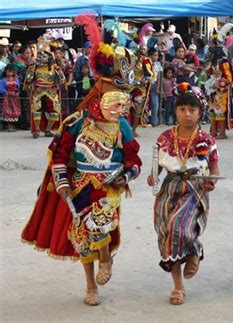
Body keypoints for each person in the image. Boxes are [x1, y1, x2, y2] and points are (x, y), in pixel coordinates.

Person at [21, 23, 142, 305]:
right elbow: (60, 157)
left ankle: (106, 257)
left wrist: (125, 176)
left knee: (99, 224)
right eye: (115, 101)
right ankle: (91, 286)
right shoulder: (76, 123)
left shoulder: (122, 126)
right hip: (80, 184)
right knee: (82, 238)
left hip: (108, 186)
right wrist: (62, 185)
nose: (120, 108)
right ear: (100, 97)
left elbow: (133, 158)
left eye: (123, 103)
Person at [147, 83, 219, 305]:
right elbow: (157, 164)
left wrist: (211, 181)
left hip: (193, 189)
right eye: (182, 109)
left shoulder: (207, 139)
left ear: (200, 112)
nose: (187, 114)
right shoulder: (165, 137)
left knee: (177, 226)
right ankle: (178, 287)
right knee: (166, 236)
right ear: (175, 110)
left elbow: (214, 166)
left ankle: (194, 250)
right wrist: (153, 175)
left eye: (192, 110)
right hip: (169, 189)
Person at [26, 37, 66, 138]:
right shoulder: (34, 67)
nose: (41, 57)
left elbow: (63, 79)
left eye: (44, 55)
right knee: (36, 109)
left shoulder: (55, 67)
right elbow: (29, 79)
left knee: (56, 110)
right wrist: (31, 70)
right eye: (40, 55)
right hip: (38, 89)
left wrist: (60, 78)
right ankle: (37, 130)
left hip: (51, 89)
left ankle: (48, 130)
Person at [0, 64, 21, 131]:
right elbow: (1, 88)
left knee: (14, 110)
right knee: (8, 111)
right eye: (8, 71)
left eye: (11, 72)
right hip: (7, 98)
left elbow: (18, 87)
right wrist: (6, 92)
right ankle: (9, 126)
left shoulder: (16, 79)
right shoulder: (3, 80)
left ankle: (13, 125)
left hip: (15, 98)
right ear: (5, 71)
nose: (9, 73)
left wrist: (17, 91)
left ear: (13, 72)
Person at [148, 48, 163, 127]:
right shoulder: (146, 62)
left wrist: (158, 87)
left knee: (155, 104)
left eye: (157, 55)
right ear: (150, 56)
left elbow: (159, 77)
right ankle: (145, 120)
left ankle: (153, 121)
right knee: (146, 104)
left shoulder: (158, 64)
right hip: (147, 84)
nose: (156, 57)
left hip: (154, 84)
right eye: (155, 55)